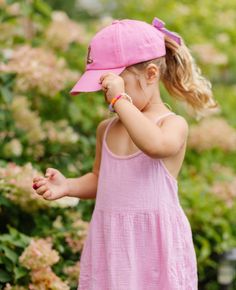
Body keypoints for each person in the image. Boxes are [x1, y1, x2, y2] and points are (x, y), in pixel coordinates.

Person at [32, 17, 219, 290]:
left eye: (113, 86)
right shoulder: (106, 130)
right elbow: (100, 178)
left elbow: (155, 146)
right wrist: (68, 186)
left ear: (151, 75)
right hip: (112, 244)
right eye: (104, 90)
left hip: (155, 248)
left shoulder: (171, 124)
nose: (107, 97)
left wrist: (121, 101)